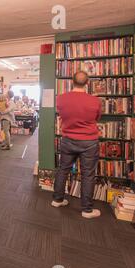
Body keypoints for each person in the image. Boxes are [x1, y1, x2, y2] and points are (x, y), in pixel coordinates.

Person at [52, 71, 102, 219]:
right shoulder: (95, 101)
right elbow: (97, 118)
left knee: (63, 170)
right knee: (88, 174)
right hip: (89, 141)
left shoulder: (61, 99)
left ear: (72, 82)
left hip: (68, 139)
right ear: (87, 83)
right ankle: (87, 210)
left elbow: (61, 114)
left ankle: (57, 199)